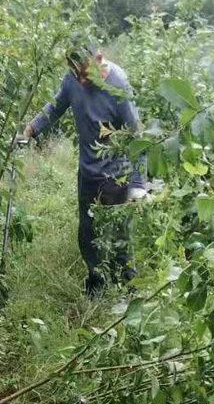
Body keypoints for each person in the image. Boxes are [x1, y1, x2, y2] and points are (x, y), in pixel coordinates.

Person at [25, 40, 147, 294]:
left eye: (84, 74)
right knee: (88, 234)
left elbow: (138, 137)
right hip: (88, 173)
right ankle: (96, 285)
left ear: (99, 59)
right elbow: (56, 106)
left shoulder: (119, 86)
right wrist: (32, 128)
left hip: (117, 175)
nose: (80, 82)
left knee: (119, 239)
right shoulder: (72, 81)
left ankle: (130, 293)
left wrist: (137, 184)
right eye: (75, 75)